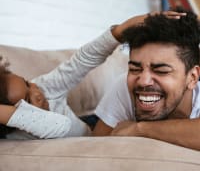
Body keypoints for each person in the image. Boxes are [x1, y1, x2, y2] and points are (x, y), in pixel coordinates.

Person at [1, 11, 183, 139]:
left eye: (27, 83)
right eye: (28, 100)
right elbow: (60, 125)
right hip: (90, 136)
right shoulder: (19, 135)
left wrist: (121, 30)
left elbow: (82, 61)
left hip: (91, 123)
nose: (37, 92)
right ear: (13, 119)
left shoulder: (42, 86)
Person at [93, 9, 200, 151]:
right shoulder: (123, 85)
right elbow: (95, 147)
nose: (143, 81)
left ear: (192, 77)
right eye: (135, 69)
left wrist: (140, 129)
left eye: (161, 71)